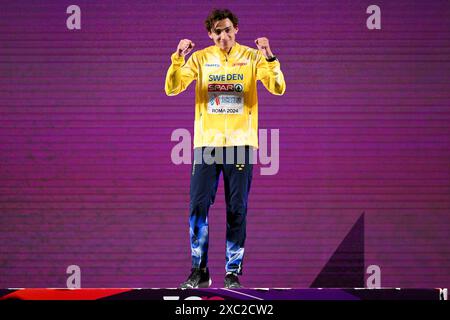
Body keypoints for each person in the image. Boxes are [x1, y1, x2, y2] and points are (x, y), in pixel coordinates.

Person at [165, 8, 286, 289]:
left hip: (241, 145)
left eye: (228, 30)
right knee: (198, 206)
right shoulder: (200, 58)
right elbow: (172, 88)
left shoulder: (253, 57)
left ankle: (232, 272)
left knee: (237, 209)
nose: (223, 35)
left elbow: (278, 87)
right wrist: (177, 58)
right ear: (210, 34)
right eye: (217, 31)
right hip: (207, 145)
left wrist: (269, 55)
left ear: (236, 30)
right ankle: (199, 270)